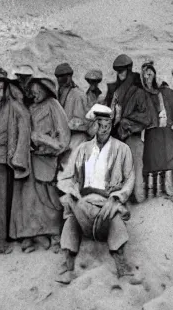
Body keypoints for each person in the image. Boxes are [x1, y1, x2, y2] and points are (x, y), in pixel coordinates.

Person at [57, 104, 136, 284]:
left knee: (115, 220)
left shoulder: (122, 149)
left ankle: (121, 264)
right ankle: (67, 264)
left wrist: (115, 199)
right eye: (99, 123)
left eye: (107, 123)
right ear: (93, 125)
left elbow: (129, 180)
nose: (103, 128)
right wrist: (74, 194)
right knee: (71, 218)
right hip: (84, 202)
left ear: (111, 125)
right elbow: (66, 176)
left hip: (107, 203)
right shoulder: (82, 149)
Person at [10, 77, 70, 253]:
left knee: (49, 199)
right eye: (31, 92)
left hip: (47, 160)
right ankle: (32, 235)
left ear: (45, 90)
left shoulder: (53, 105)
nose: (33, 94)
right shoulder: (30, 107)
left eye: (36, 91)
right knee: (29, 199)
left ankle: (55, 235)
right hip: (30, 160)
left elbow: (64, 138)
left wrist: (46, 143)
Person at [105, 54, 151, 203]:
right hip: (117, 137)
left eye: (122, 70)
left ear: (129, 70)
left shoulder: (139, 91)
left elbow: (146, 117)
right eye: (118, 71)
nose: (120, 74)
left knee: (136, 170)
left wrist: (127, 121)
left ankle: (139, 199)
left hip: (133, 137)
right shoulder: (115, 91)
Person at [0, 68, 31, 254]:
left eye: (1, 88)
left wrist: (17, 155)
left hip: (2, 160)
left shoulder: (12, 106)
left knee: (2, 201)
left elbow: (25, 119)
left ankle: (1, 241)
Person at [140, 61, 173, 201]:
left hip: (159, 127)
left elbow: (163, 111)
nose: (148, 77)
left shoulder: (160, 93)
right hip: (147, 129)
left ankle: (164, 188)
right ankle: (151, 191)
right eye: (146, 75)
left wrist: (168, 122)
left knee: (162, 156)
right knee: (151, 158)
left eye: (151, 74)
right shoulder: (141, 92)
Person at [55, 63, 91, 194]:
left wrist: (70, 124)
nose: (61, 80)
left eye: (63, 77)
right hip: (65, 139)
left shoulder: (78, 95)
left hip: (77, 139)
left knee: (74, 174)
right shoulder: (60, 93)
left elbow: (85, 122)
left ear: (70, 77)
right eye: (58, 77)